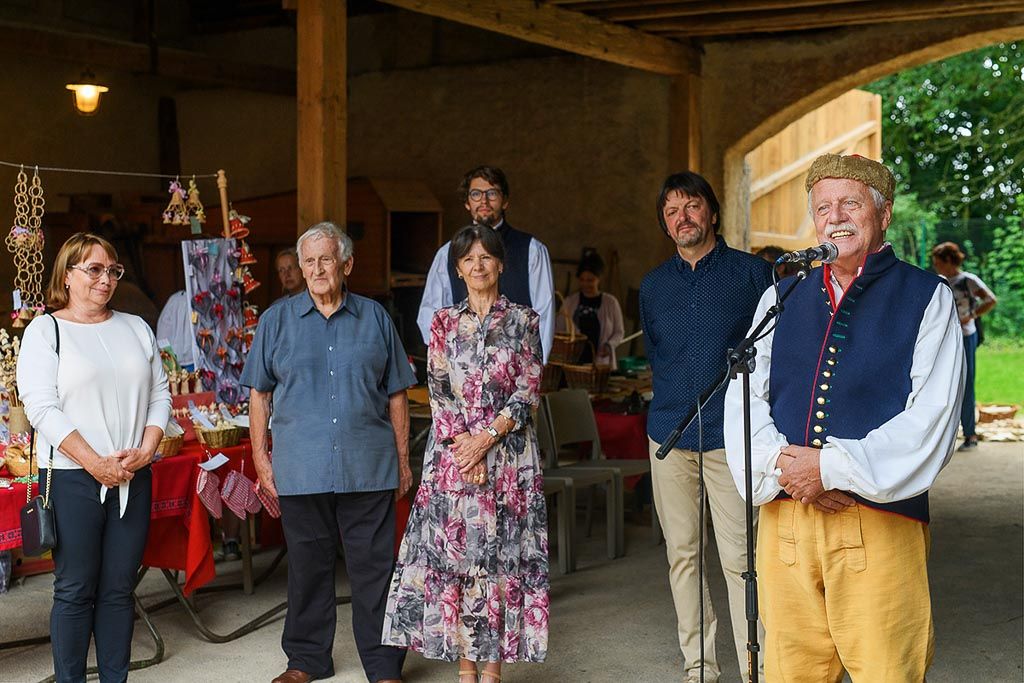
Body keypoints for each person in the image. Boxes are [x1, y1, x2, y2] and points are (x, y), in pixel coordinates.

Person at [724, 154, 964, 682]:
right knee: (790, 672)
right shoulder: (780, 295)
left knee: (888, 669)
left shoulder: (928, 298)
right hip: (785, 521)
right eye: (823, 207)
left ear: (883, 214)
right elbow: (743, 397)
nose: (836, 217)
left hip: (879, 521)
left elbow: (933, 418)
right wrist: (782, 467)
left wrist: (830, 468)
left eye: (850, 203)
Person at [241, 222, 416, 683]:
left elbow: (397, 393)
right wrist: (261, 460)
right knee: (307, 570)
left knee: (376, 569)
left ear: (346, 265)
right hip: (301, 467)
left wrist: (402, 460)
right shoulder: (276, 321)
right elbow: (258, 396)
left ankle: (383, 667)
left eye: (326, 259)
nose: (317, 269)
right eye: (309, 261)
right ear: (300, 268)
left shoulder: (376, 317)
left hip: (368, 464)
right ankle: (305, 661)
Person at [383, 224, 548, 683]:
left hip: (509, 458)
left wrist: (486, 440)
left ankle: (492, 670)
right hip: (455, 460)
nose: (478, 266)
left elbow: (529, 388)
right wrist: (465, 450)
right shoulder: (442, 322)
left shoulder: (524, 320)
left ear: (500, 264)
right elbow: (437, 390)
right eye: (468, 259)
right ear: (457, 269)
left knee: (501, 560)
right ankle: (465, 670)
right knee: (459, 558)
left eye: (486, 258)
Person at [17, 232, 171, 683]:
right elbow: (41, 406)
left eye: (113, 270)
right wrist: (94, 463)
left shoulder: (136, 327)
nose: (106, 279)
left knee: (119, 590)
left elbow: (160, 393)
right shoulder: (46, 331)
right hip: (72, 478)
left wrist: (147, 448)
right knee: (74, 590)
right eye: (94, 269)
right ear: (67, 275)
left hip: (132, 475)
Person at [640, 172, 773, 683]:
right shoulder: (653, 286)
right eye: (671, 211)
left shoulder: (751, 275)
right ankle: (699, 667)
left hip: (732, 438)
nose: (682, 218)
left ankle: (755, 666)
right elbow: (659, 357)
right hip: (669, 434)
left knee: (742, 559)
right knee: (683, 558)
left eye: (691, 206)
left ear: (712, 213)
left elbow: (771, 358)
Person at [416, 166, 555, 362]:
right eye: (476, 194)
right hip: (464, 366)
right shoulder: (448, 252)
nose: (484, 200)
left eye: (492, 193)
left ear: (505, 200)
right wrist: (448, 361)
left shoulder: (532, 250)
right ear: (466, 203)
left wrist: (534, 367)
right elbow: (431, 313)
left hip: (516, 367)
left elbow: (544, 313)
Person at [931, 241, 997, 451]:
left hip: (966, 336)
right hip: (944, 337)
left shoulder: (967, 280)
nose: (935, 266)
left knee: (965, 384)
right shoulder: (939, 281)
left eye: (938, 262)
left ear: (948, 260)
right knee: (943, 385)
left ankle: (970, 435)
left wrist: (972, 316)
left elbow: (990, 299)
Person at [556, 251, 625, 367]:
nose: (585, 284)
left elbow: (619, 332)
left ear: (599, 279)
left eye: (590, 280)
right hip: (573, 364)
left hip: (601, 364)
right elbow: (558, 329)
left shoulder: (611, 303)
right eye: (582, 280)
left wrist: (609, 345)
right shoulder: (569, 302)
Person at [156, 289, 195, 369]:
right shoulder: (192, 301)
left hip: (172, 357)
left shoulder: (173, 300)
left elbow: (162, 333)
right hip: (192, 357)